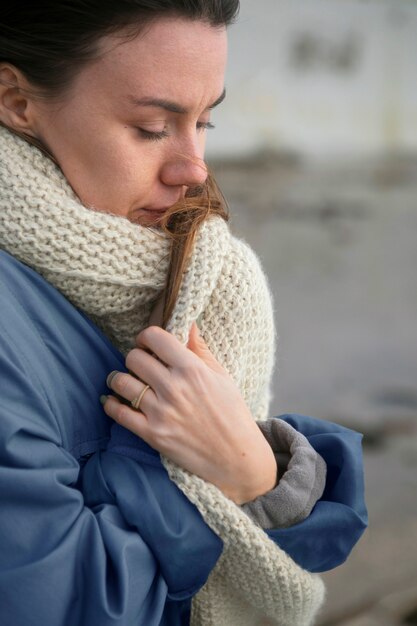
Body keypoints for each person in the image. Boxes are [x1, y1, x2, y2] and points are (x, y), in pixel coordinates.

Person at [0, 2, 368, 625]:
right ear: (16, 101)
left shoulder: (180, 279)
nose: (194, 168)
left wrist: (262, 473)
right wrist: (213, 474)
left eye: (205, 122)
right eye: (150, 127)